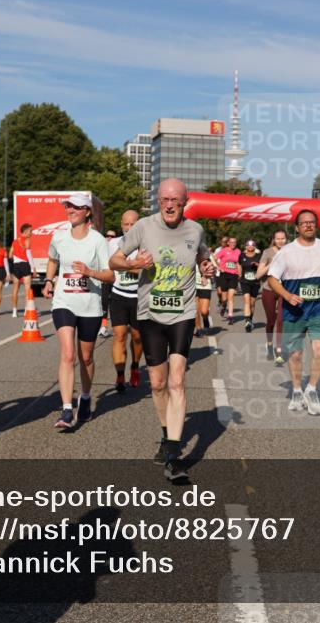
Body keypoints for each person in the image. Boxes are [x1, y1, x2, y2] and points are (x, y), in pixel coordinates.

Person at [109, 178, 214, 482]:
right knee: (158, 383)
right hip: (151, 314)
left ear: (185, 202)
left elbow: (203, 257)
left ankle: (173, 455)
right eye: (164, 199)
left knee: (177, 380)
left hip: (182, 312)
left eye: (175, 200)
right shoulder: (142, 227)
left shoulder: (195, 230)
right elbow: (113, 259)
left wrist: (206, 266)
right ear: (158, 201)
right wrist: (133, 265)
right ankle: (167, 432)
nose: (169, 205)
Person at [42, 194, 114, 429]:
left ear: (87, 212)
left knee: (86, 357)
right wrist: (49, 280)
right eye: (68, 206)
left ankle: (84, 396)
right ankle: (65, 409)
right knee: (68, 354)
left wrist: (89, 272)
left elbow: (110, 275)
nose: (69, 210)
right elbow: (52, 259)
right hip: (64, 302)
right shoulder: (59, 237)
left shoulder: (98, 241)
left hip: (90, 305)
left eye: (75, 207)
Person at [267, 210, 320, 416]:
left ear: (316, 225)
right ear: (297, 227)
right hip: (294, 311)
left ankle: (312, 390)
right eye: (303, 223)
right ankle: (297, 390)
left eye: (312, 222)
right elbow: (272, 279)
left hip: (319, 309)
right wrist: (287, 296)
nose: (308, 226)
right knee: (295, 354)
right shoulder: (286, 251)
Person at [108, 211, 144, 391]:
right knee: (119, 335)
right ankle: (120, 375)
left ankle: (135, 366)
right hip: (119, 295)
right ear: (121, 224)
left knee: (137, 337)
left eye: (133, 224)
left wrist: (131, 267)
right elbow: (109, 266)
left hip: (139, 297)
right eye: (126, 224)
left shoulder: (145, 244)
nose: (129, 228)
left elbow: (149, 271)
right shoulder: (113, 244)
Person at [257, 230, 288, 364]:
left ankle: (279, 350)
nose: (280, 241)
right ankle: (269, 344)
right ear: (274, 240)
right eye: (278, 239)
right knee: (271, 320)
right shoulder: (267, 252)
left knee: (281, 320)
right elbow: (258, 275)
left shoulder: (290, 252)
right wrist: (272, 262)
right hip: (269, 289)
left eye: (283, 238)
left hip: (283, 290)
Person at [9, 223, 34, 318]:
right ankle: (26, 310)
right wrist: (33, 268)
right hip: (25, 265)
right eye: (30, 231)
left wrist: (16, 258)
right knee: (27, 288)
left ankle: (14, 311)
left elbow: (10, 255)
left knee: (15, 289)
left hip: (16, 265)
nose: (31, 233)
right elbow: (29, 255)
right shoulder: (27, 240)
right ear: (26, 231)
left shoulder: (15, 241)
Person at [215, 236, 241, 323]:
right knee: (224, 298)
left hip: (233, 275)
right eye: (231, 242)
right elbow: (214, 258)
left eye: (235, 242)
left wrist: (240, 273)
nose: (233, 244)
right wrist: (218, 267)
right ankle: (223, 306)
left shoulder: (238, 251)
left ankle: (230, 316)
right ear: (228, 243)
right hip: (224, 275)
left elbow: (238, 263)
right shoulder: (224, 250)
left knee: (231, 297)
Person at [238, 240, 262, 332]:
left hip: (255, 282)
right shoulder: (242, 256)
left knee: (252, 303)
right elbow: (239, 264)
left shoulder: (259, 256)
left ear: (255, 247)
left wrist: (257, 265)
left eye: (252, 245)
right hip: (244, 281)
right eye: (248, 245)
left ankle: (250, 320)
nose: (250, 246)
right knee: (247, 301)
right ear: (245, 247)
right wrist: (239, 273)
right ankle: (247, 320)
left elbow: (263, 266)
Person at [99, 229, 118, 338]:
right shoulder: (101, 246)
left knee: (115, 304)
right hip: (105, 279)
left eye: (112, 236)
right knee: (104, 303)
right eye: (107, 235)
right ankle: (103, 327)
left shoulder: (118, 247)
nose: (109, 237)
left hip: (116, 280)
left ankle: (119, 327)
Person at [194, 265, 214, 338]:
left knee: (204, 311)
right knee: (195, 310)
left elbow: (213, 269)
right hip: (193, 287)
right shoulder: (190, 257)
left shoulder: (206, 258)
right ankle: (198, 329)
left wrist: (209, 273)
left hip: (205, 286)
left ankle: (205, 319)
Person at [213, 236, 229, 315]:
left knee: (225, 291)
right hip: (218, 273)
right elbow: (214, 259)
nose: (223, 243)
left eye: (225, 241)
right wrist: (217, 265)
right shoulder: (218, 250)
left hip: (227, 273)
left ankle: (224, 305)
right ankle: (220, 301)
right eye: (222, 241)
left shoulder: (231, 250)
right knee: (219, 292)